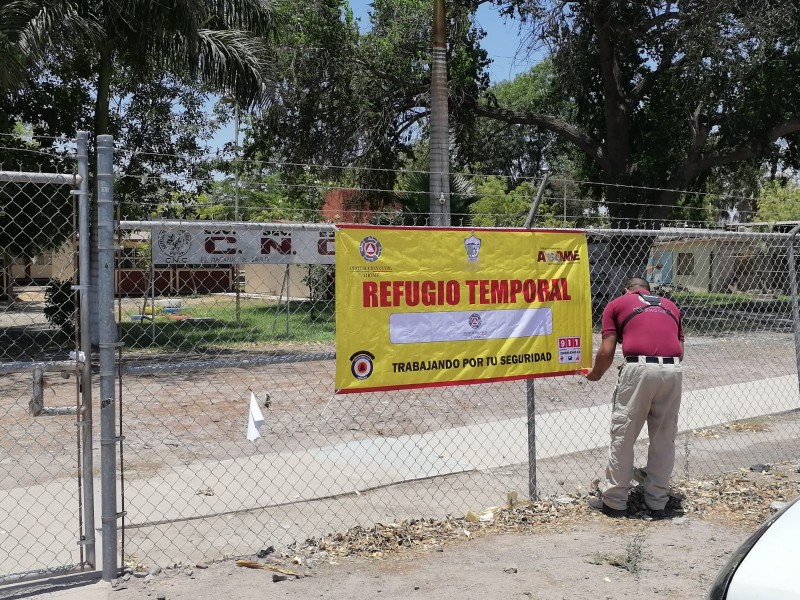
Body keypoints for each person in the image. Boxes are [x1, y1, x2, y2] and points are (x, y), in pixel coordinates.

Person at [585, 277, 684, 519]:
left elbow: (606, 350)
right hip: (673, 370)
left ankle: (615, 502)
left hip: (639, 368)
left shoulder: (618, 303)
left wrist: (594, 374)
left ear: (626, 289)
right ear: (649, 291)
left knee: (624, 435)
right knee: (664, 437)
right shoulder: (671, 306)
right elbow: (680, 347)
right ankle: (658, 502)